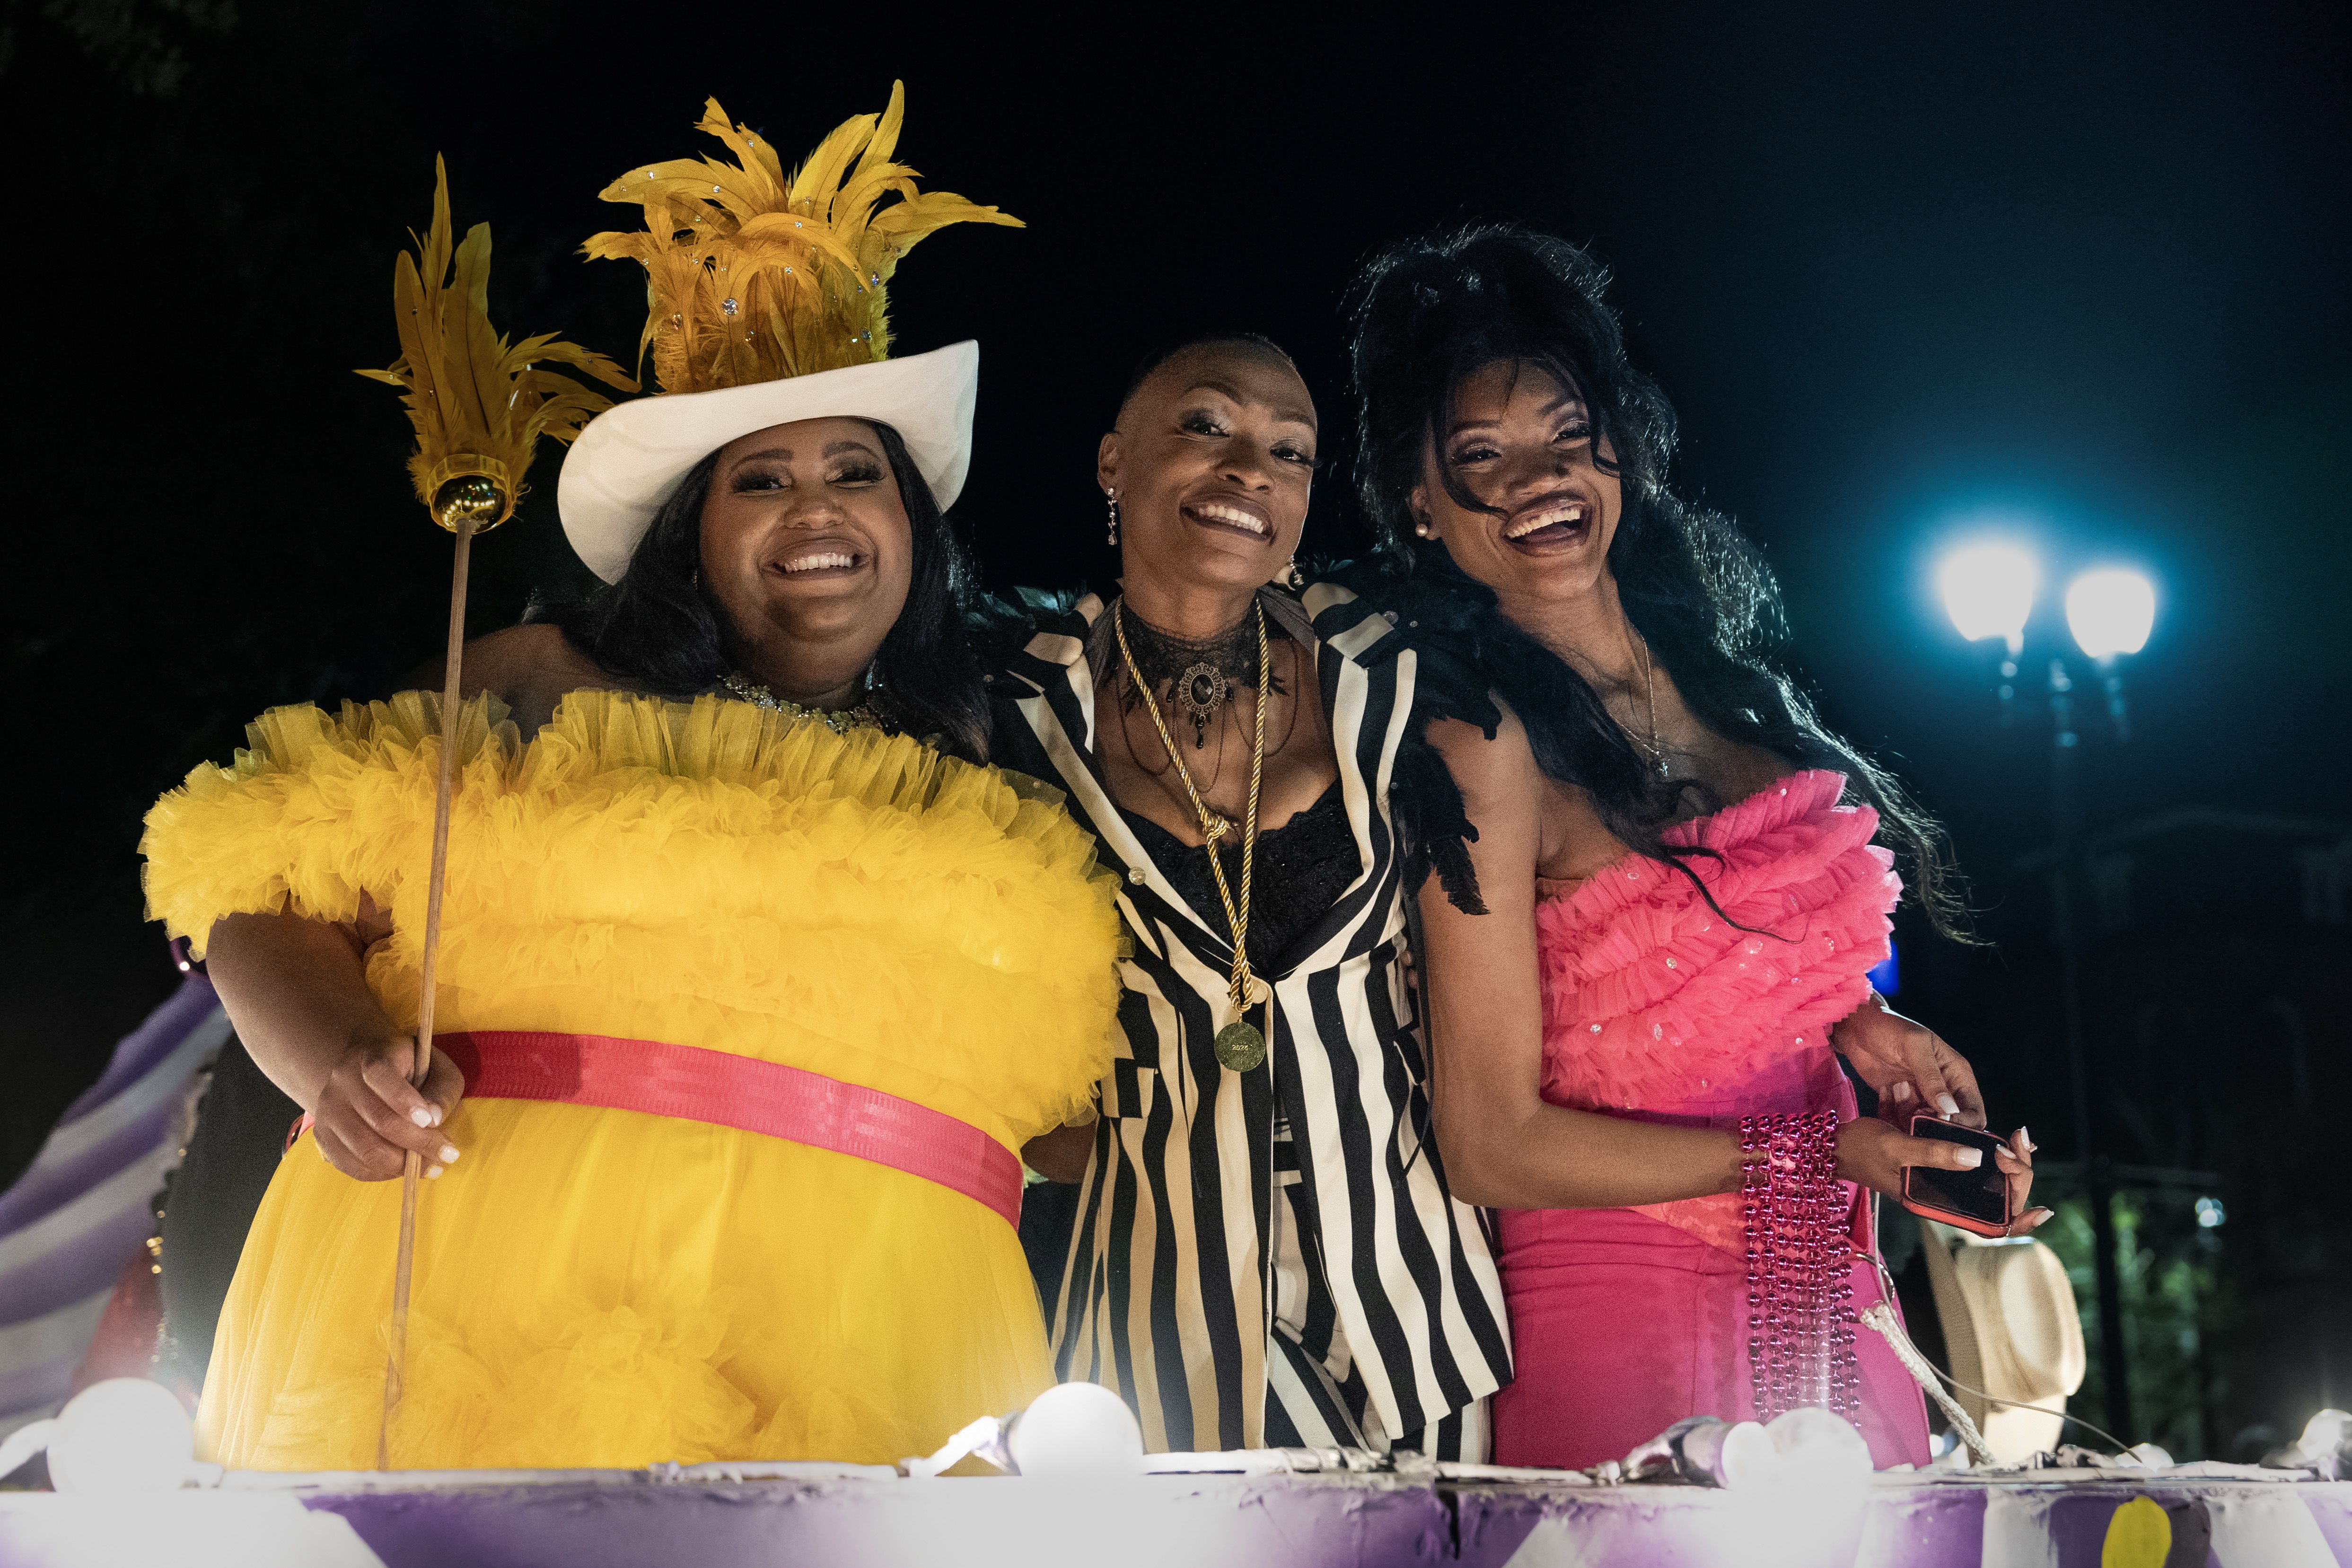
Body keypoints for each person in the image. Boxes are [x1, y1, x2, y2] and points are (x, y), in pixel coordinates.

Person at [137, 88, 1122, 1471]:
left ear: (910, 523)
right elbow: (261, 890)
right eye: (759, 481)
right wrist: (338, 1063)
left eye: (856, 470)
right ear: (687, 536)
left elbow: (1065, 1122)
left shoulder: (972, 772)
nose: (818, 507)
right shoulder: (537, 680)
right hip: (498, 1316)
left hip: (873, 1340)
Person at [1341, 226, 2044, 1471]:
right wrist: (1823, 1150)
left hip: (1845, 1318)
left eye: (1566, 435)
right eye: (1478, 458)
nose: (1534, 480)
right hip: (1632, 1333)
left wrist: (1860, 1039)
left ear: (1620, 446)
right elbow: (1489, 1138)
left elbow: (1723, 978)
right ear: (1419, 503)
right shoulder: (1476, 744)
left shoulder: (1732, 695)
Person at [999, 333, 1513, 1460]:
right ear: (1110, 460)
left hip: (1417, 1318)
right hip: (1152, 1330)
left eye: (1290, 450)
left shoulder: (1403, 687)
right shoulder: (1011, 720)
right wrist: (1146, 1129)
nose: (1250, 468)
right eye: (1205, 425)